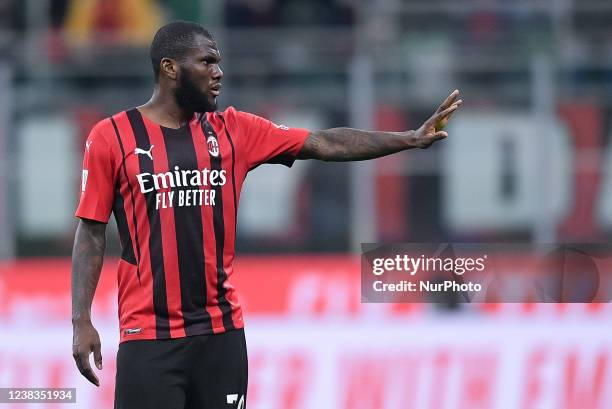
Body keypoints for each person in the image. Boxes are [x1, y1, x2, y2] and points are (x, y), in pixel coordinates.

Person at [71, 20, 462, 409]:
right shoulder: (111, 137)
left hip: (220, 335)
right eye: (207, 62)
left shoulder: (233, 130)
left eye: (219, 62)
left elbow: (323, 142)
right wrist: (81, 320)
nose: (218, 72)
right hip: (149, 337)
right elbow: (91, 231)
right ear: (170, 68)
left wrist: (409, 138)